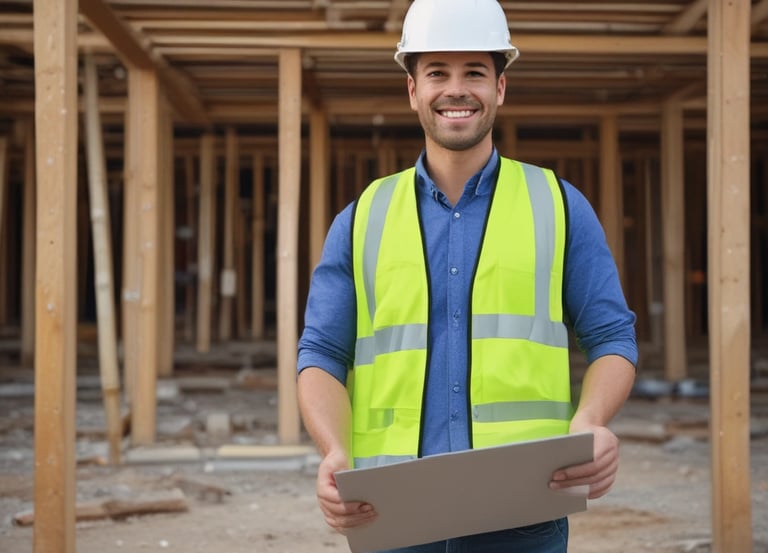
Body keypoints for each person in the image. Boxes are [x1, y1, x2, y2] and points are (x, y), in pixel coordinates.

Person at [297, 0, 638, 550]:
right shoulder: (362, 217)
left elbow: (612, 337)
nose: (456, 89)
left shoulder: (558, 205)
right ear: (413, 91)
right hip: (392, 510)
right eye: (437, 73)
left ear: (500, 87)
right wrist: (333, 451)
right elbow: (320, 354)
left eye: (474, 72)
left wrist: (592, 421)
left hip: (523, 509)